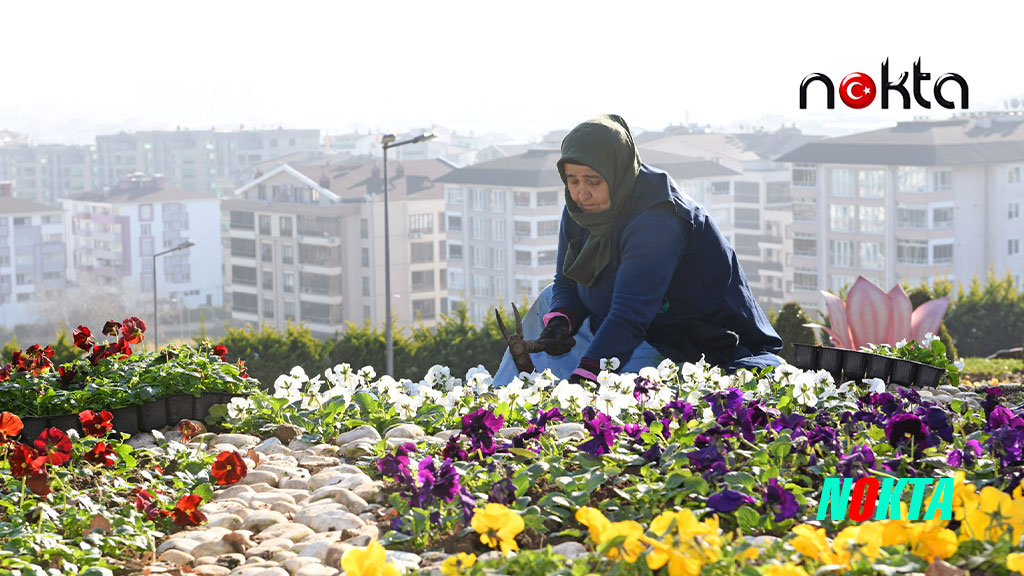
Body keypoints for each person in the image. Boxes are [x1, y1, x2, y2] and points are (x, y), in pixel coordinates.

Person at [493, 114, 783, 385]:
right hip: (617, 320)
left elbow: (631, 315)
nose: (581, 193)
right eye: (573, 181)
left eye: (593, 181)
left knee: (624, 399)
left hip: (680, 336)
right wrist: (559, 324)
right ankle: (502, 401)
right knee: (548, 302)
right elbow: (567, 280)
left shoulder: (659, 219)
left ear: (617, 173)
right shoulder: (581, 209)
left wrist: (587, 375)